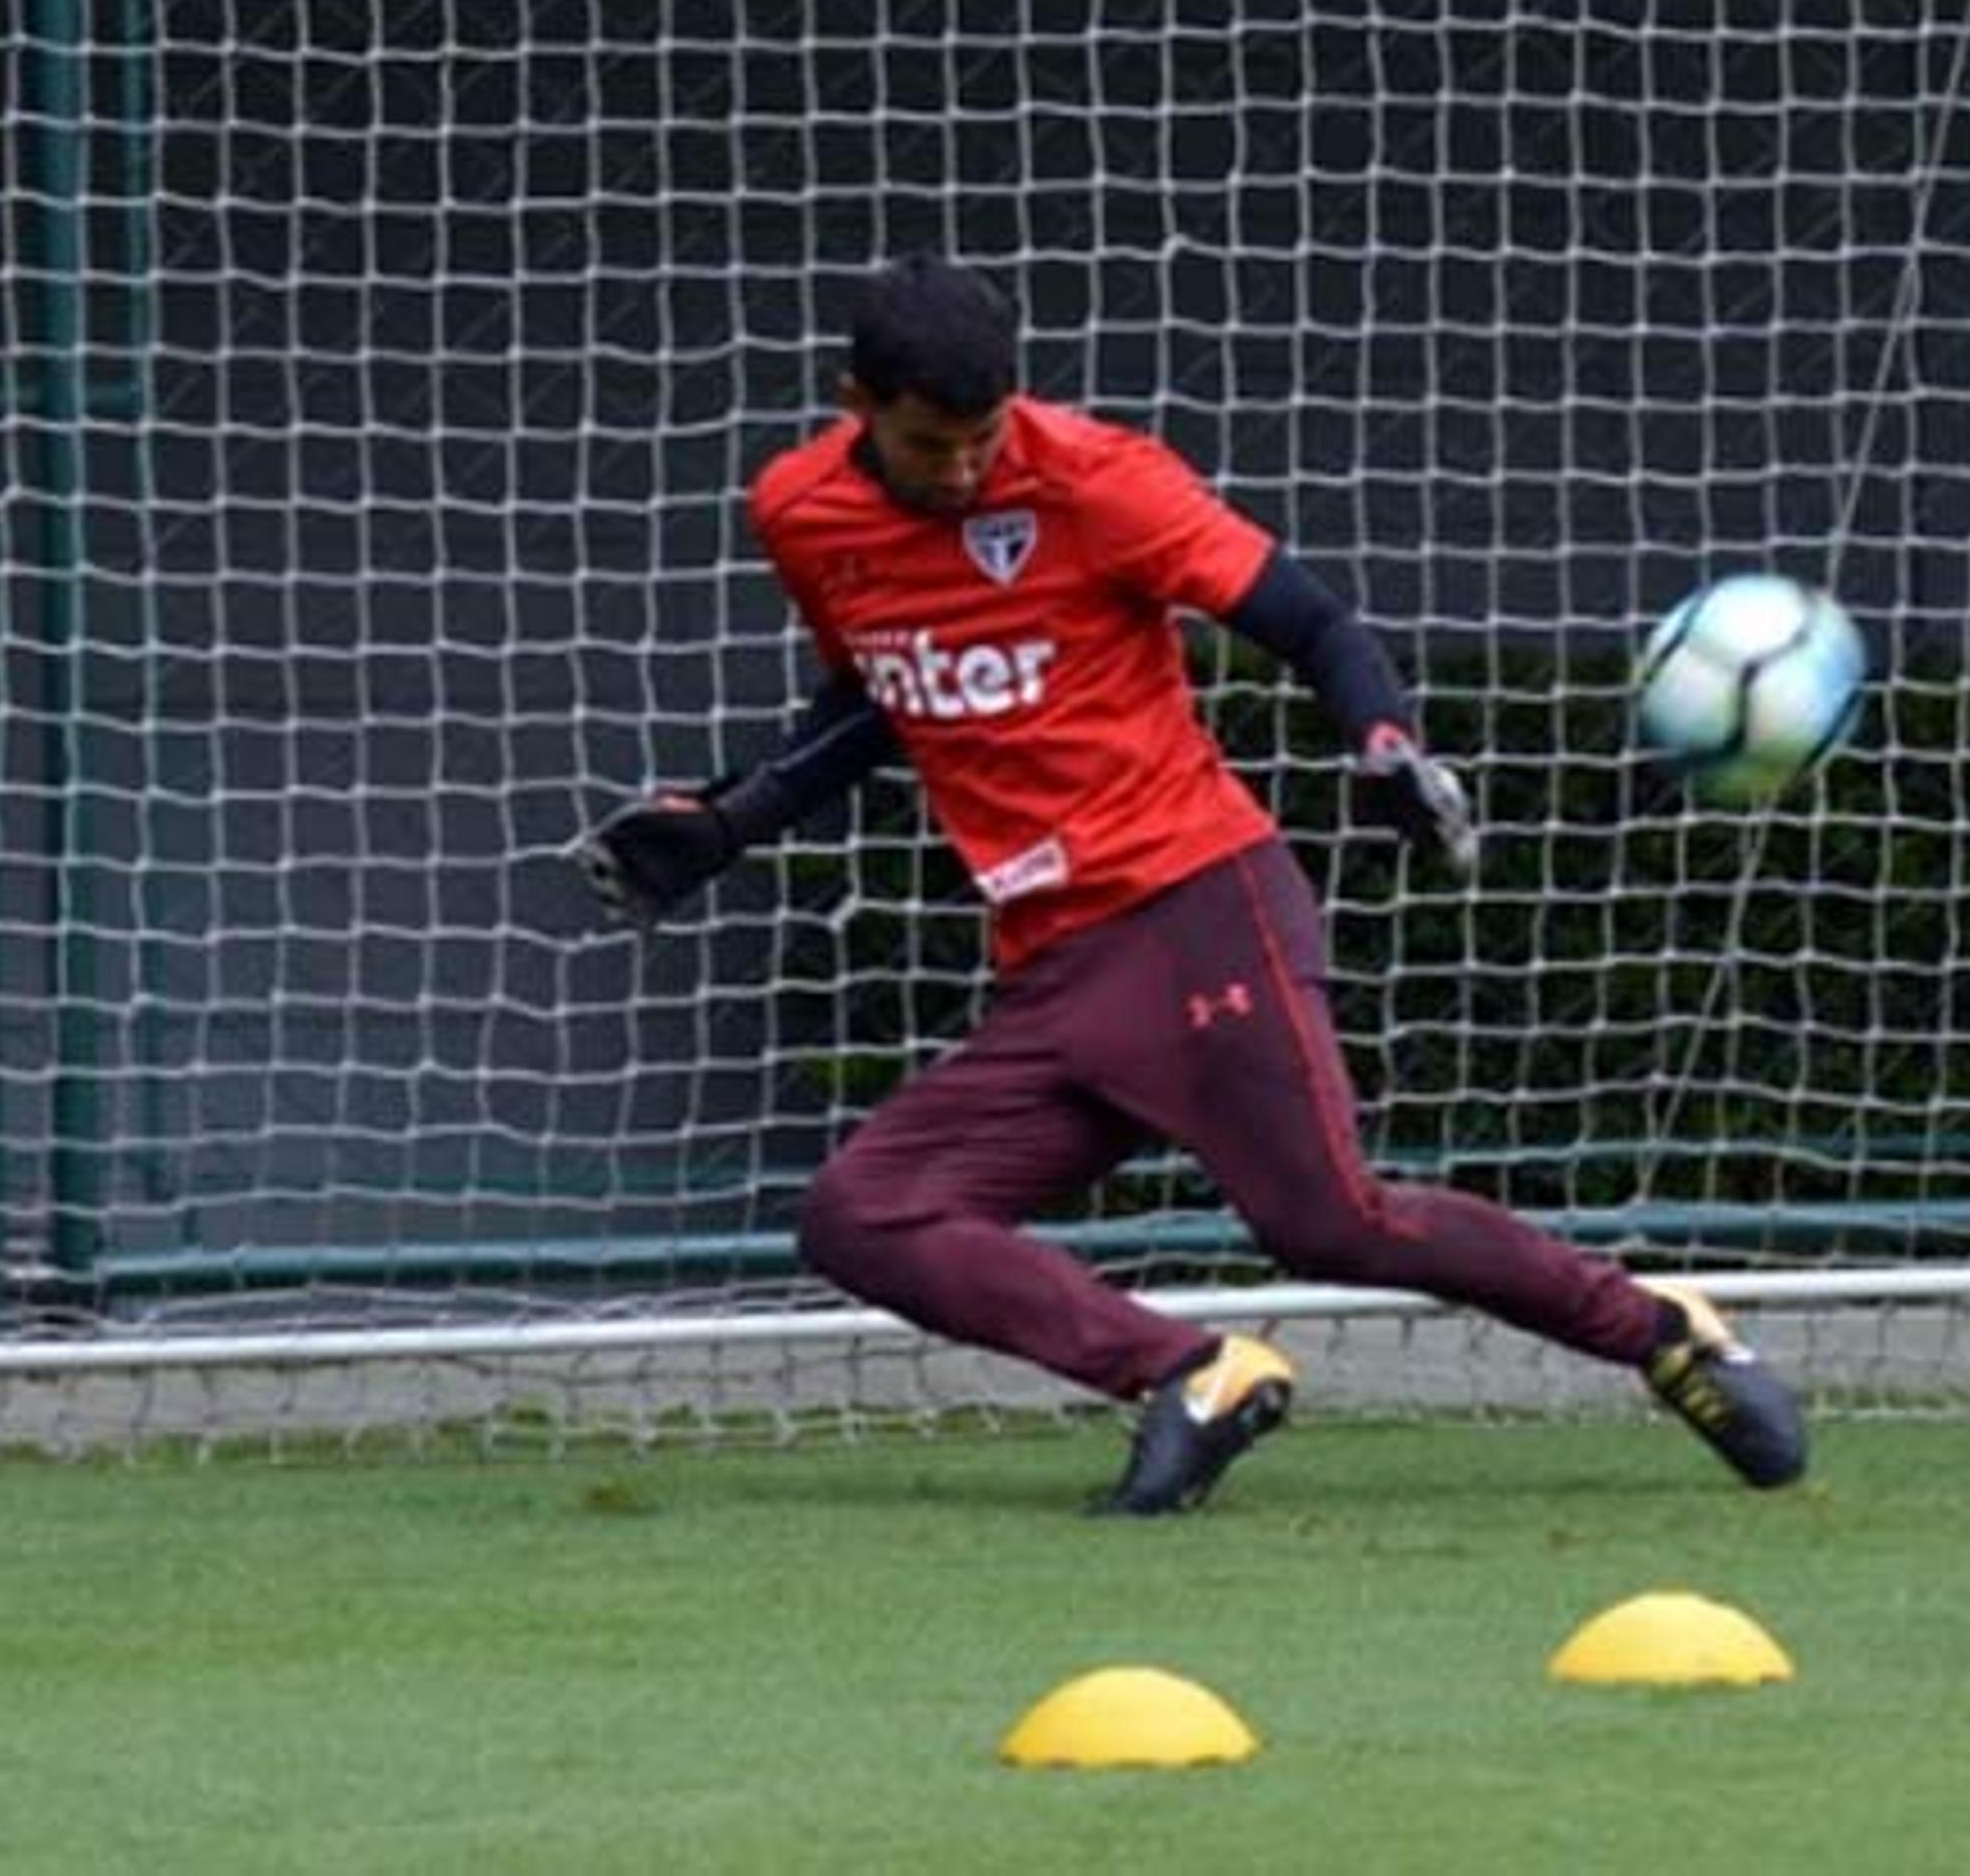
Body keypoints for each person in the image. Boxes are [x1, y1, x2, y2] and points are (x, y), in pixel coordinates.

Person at [574, 255, 1808, 1515]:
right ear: (855, 404)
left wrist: (1386, 743)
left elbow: (1317, 625)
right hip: (1055, 968)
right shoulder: (801, 511)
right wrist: (730, 818)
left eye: (982, 439)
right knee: (862, 1214)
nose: (959, 471)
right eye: (927, 444)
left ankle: (1663, 1328)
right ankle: (1195, 1372)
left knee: (1328, 1222)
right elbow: (876, 701)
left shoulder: (1101, 481)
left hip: (1195, 903)